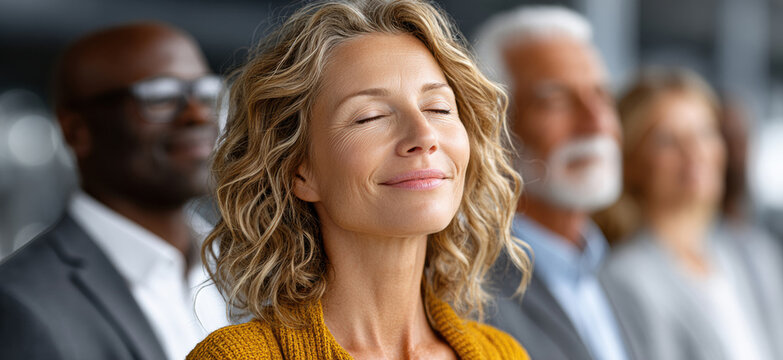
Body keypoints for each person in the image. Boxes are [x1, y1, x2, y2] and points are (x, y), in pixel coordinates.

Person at [187, 0, 531, 359]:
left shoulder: (503, 353)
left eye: (439, 108)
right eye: (370, 117)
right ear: (299, 169)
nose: (424, 135)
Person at [0, 22, 228, 360]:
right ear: (77, 130)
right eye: (161, 97)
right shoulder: (21, 304)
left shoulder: (243, 271)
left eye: (207, 94)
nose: (197, 115)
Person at [597, 67, 783, 360]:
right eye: (667, 139)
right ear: (630, 162)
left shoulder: (757, 256)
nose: (694, 152)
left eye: (705, 133)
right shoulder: (625, 279)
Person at [473, 6, 638, 360]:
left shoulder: (608, 270)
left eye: (601, 95)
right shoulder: (469, 293)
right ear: (493, 129)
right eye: (556, 100)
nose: (595, 121)